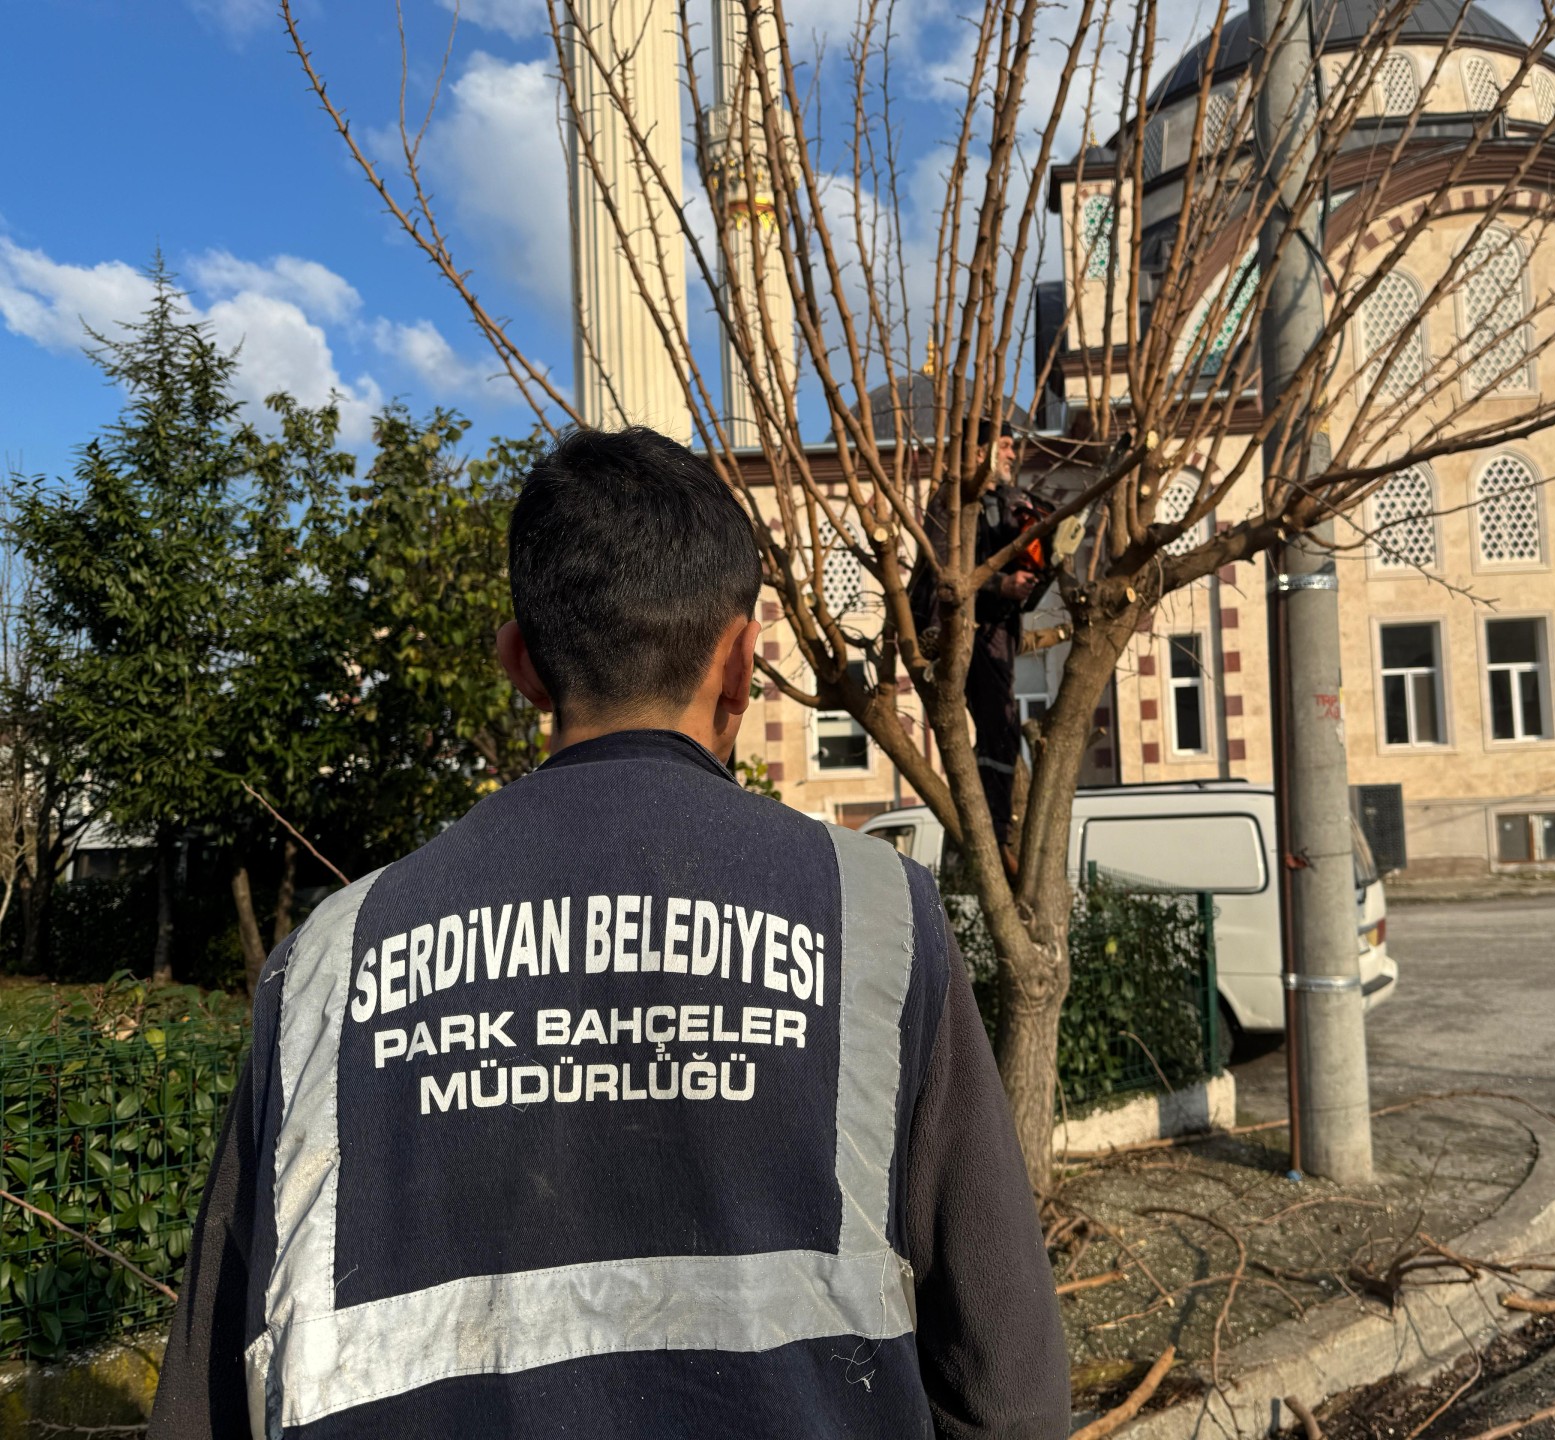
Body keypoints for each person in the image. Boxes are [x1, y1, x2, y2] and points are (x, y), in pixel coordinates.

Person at [148, 426, 1070, 1439]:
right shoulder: (878, 925)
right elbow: (1007, 1395)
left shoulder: (327, 962)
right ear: (739, 663)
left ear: (522, 667)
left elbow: (205, 1399)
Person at [914, 427, 1052, 864]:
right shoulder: (952, 503)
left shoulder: (1011, 501)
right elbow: (947, 575)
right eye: (1005, 446)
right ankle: (993, 836)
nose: (1013, 453)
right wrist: (1000, 585)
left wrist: (1035, 569)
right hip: (961, 631)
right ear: (979, 451)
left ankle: (994, 831)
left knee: (1001, 729)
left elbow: (1031, 546)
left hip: (996, 629)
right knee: (1000, 725)